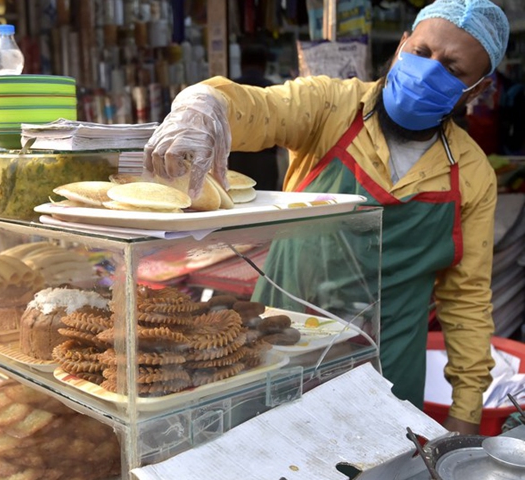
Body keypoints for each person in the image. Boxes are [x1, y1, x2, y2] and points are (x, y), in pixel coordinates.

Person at [144, 0, 509, 435]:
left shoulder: (470, 174)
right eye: (422, 52)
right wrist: (206, 105)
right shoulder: (331, 107)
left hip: (385, 379)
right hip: (277, 353)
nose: (430, 70)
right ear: (402, 45)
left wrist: (466, 413)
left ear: (477, 90)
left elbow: (466, 301)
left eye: (453, 68)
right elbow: (260, 109)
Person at [229, 43, 281, 190]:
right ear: (264, 65)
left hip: (237, 159)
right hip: (265, 160)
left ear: (241, 64)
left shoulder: (232, 88)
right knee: (266, 206)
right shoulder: (271, 89)